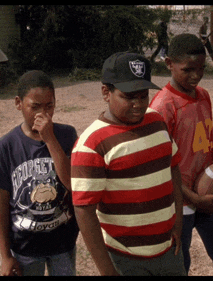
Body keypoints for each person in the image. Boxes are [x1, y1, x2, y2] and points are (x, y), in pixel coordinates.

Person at [70, 52, 186, 276]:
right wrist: (107, 270)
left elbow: (173, 169)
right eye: (129, 96)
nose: (138, 104)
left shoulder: (157, 122)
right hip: (125, 259)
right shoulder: (91, 145)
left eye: (144, 96)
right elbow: (84, 211)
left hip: (168, 250)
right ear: (106, 92)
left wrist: (178, 222)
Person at [149, 33, 213, 276]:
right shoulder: (162, 107)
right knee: (181, 261)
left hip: (205, 189)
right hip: (181, 199)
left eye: (201, 68)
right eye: (187, 69)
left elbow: (201, 135)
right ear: (169, 63)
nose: (195, 75)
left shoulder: (203, 95)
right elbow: (160, 165)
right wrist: (193, 199)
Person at [0, 70, 79, 276]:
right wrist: (5, 256)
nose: (42, 114)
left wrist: (50, 139)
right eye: (35, 107)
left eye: (49, 106)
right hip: (24, 248)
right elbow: (1, 204)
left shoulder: (67, 135)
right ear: (18, 103)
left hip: (63, 243)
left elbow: (72, 183)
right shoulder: (6, 146)